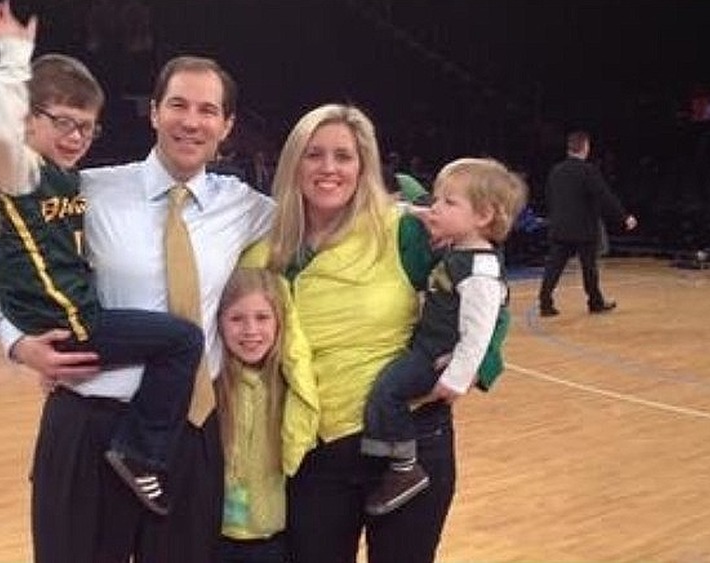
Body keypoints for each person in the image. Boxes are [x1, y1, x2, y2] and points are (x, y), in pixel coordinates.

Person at [0, 12, 277, 561]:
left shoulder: (247, 208)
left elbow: (327, 220)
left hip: (190, 430)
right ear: (154, 113)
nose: (192, 121)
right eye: (179, 105)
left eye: (208, 110)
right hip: (90, 425)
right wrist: (16, 341)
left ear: (227, 126)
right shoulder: (90, 188)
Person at [239, 103, 506, 563]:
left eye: (344, 156)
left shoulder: (404, 230)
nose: (329, 168)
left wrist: (471, 365)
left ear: (363, 166)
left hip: (411, 441)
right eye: (314, 154)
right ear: (293, 162)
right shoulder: (265, 249)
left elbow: (484, 290)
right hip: (314, 451)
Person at [0, 0, 203, 517]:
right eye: (63, 123)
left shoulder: (79, 182)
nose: (76, 137)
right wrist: (13, 57)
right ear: (27, 120)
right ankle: (141, 451)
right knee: (184, 340)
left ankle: (137, 448)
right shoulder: (18, 171)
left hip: (75, 320)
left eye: (87, 127)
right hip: (72, 323)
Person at [361, 157, 527, 516]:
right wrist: (408, 210)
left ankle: (403, 469)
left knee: (386, 392)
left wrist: (458, 376)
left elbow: (479, 331)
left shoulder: (480, 269)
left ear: (482, 216)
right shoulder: (461, 247)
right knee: (387, 392)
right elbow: (417, 212)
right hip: (426, 346)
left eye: (448, 202)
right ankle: (391, 460)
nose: (435, 208)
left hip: (435, 357)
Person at [215, 268, 288, 563]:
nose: (251, 331)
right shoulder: (210, 385)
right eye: (236, 319)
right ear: (218, 323)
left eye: (262, 318)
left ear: (279, 322)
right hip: (214, 537)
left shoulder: (287, 386)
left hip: (269, 538)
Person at [538, 130, 637, 316]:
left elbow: (549, 197)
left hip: (560, 227)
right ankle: (595, 302)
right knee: (589, 268)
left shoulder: (556, 171)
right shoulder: (588, 171)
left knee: (554, 267)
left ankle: (545, 302)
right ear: (585, 147)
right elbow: (605, 196)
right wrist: (624, 217)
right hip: (583, 228)